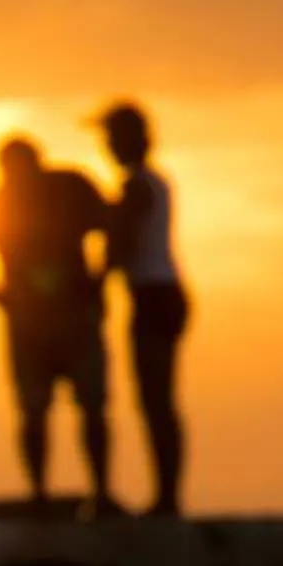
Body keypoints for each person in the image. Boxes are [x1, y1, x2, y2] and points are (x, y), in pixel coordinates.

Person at [0, 135, 118, 511]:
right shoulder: (3, 200)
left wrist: (98, 279)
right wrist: (4, 299)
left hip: (68, 317)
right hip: (36, 322)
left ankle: (96, 492)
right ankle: (44, 494)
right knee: (38, 411)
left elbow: (112, 230)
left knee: (85, 407)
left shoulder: (68, 187)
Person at [98, 101, 190, 518]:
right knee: (158, 399)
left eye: (111, 137)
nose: (107, 145)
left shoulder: (137, 186)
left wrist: (94, 282)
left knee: (156, 400)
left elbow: (122, 244)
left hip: (153, 297)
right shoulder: (153, 182)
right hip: (161, 293)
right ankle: (167, 495)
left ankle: (167, 498)